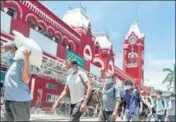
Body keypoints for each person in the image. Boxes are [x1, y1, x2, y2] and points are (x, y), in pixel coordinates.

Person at [1, 47, 32, 121]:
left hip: (19, 102)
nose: (8, 52)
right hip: (7, 100)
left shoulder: (22, 61)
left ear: (16, 50)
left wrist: (26, 59)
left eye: (10, 49)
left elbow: (25, 79)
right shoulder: (11, 62)